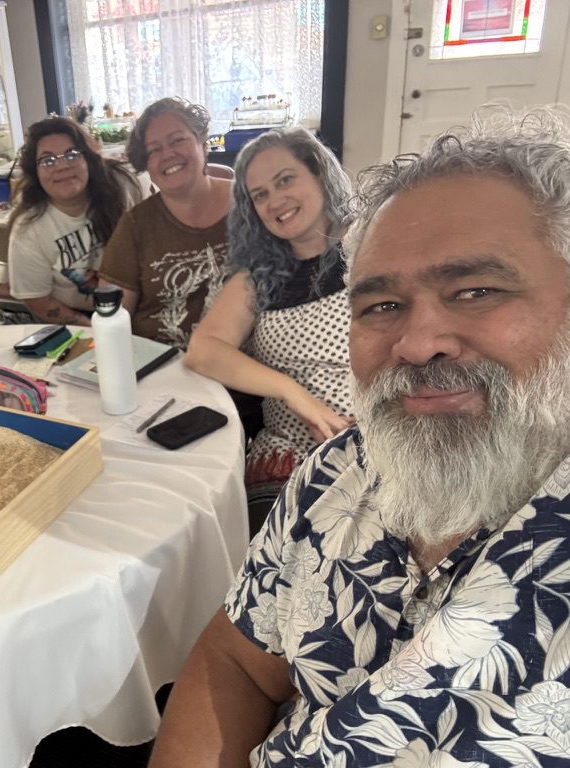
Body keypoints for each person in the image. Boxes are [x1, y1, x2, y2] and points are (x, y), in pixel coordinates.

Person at [148, 103, 570, 766]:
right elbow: (234, 655)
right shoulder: (333, 474)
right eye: (381, 306)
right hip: (306, 444)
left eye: (476, 290)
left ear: (321, 175)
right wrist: (292, 394)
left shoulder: (362, 249)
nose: (418, 342)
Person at [184, 127, 354, 522]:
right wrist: (293, 393)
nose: (275, 200)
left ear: (319, 174)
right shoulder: (256, 277)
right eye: (260, 195)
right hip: (287, 453)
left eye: (286, 180)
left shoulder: (372, 246)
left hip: (383, 437)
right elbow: (203, 350)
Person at [99, 97, 233, 349]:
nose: (168, 155)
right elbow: (112, 323)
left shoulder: (249, 203)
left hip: (245, 369)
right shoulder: (134, 226)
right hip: (162, 370)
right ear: (146, 164)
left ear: (203, 144)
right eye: (154, 150)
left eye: (177, 140)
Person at [8, 116, 142, 325]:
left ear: (88, 158)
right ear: (35, 172)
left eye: (71, 155)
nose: (61, 167)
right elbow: (37, 299)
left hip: (143, 305)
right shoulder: (28, 228)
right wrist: (94, 328)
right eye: (48, 160)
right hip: (79, 320)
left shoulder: (122, 185)